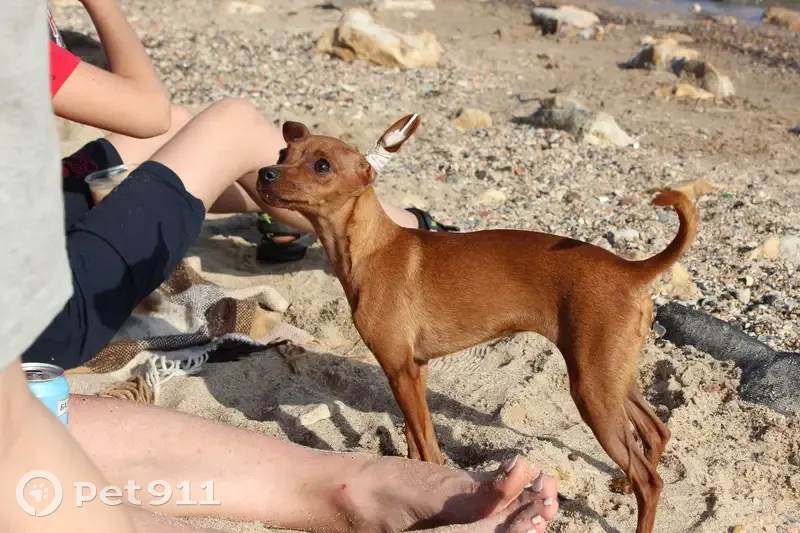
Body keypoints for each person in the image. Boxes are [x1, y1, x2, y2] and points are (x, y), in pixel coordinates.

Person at [26, 0, 456, 370]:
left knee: (179, 128)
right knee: (232, 124)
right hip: (39, 315)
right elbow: (146, 110)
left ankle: (282, 202)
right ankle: (407, 227)